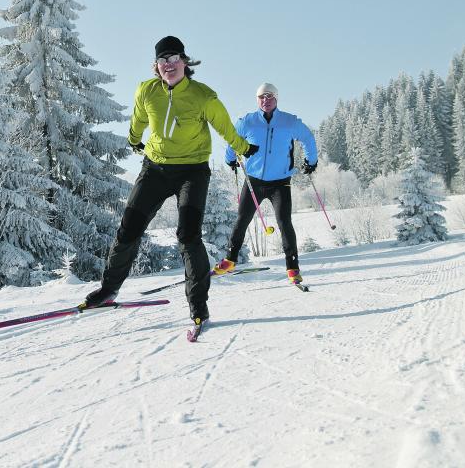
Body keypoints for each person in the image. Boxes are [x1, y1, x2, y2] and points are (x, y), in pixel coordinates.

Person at [81, 35, 258, 329]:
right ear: (156, 66)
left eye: (174, 58)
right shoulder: (147, 91)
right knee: (129, 229)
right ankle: (108, 290)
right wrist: (135, 140)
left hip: (192, 171)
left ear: (185, 62)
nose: (169, 64)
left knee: (188, 236)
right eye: (163, 60)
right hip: (155, 169)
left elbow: (224, 126)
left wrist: (242, 147)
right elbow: (139, 118)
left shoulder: (203, 96)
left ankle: (199, 306)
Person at [216, 82, 318, 285]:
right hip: (254, 181)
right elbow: (232, 139)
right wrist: (230, 158)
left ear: (276, 99)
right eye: (262, 97)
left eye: (270, 96)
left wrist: (311, 160)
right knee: (242, 220)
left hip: (280, 182)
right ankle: (230, 259)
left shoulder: (289, 121)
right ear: (257, 100)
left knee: (284, 222)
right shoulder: (247, 121)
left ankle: (293, 268)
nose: (266, 100)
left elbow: (307, 137)